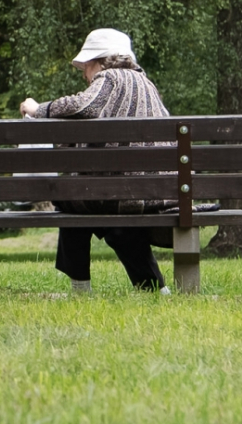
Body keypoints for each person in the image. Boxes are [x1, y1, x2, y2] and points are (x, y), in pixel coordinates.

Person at [19, 28, 171, 293]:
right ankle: (154, 289)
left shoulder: (109, 77)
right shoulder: (147, 84)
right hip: (158, 191)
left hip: (125, 194)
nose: (85, 76)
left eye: (85, 67)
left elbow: (84, 106)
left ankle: (80, 288)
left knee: (70, 203)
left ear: (96, 62)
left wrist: (37, 109)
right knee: (114, 222)